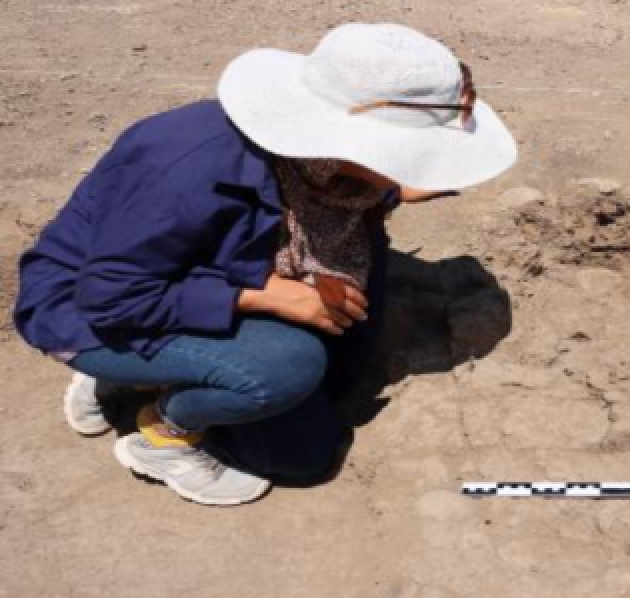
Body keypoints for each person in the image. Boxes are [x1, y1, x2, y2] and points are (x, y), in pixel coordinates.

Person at [13, 23, 517, 506]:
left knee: (340, 376)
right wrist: (268, 295)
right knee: (299, 425)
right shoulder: (184, 164)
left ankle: (159, 370)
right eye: (411, 153)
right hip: (93, 311)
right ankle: (163, 431)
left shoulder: (326, 167)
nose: (416, 167)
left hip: (208, 273)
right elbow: (109, 295)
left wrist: (391, 189)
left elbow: (329, 197)